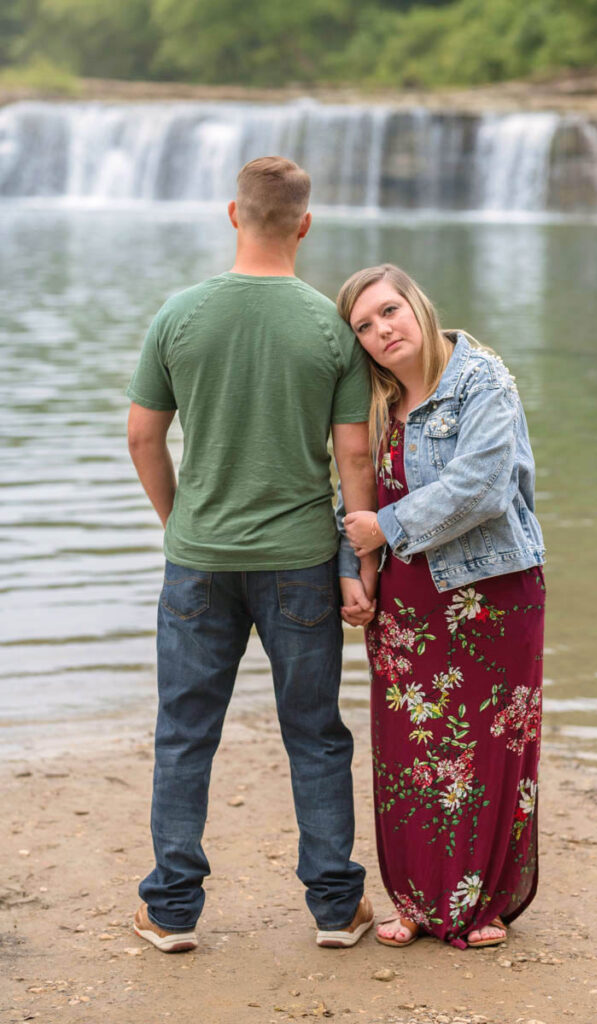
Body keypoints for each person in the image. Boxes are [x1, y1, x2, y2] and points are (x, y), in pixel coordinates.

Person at [126, 156, 379, 954]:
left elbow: (142, 435)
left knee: (183, 733)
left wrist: (180, 524)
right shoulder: (330, 328)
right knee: (314, 733)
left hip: (198, 558)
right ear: (304, 223)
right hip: (301, 560)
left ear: (231, 215)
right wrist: (360, 560)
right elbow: (355, 461)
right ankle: (336, 909)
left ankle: (170, 913)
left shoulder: (178, 315)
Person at [336, 264, 546, 950]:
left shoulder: (482, 379)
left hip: (491, 593)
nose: (380, 331)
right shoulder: (374, 394)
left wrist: (388, 531)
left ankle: (480, 903)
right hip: (406, 603)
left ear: (418, 305)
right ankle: (416, 900)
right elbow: (352, 491)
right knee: (410, 753)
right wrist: (354, 570)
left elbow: (483, 485)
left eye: (388, 311)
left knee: (487, 752)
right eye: (363, 326)